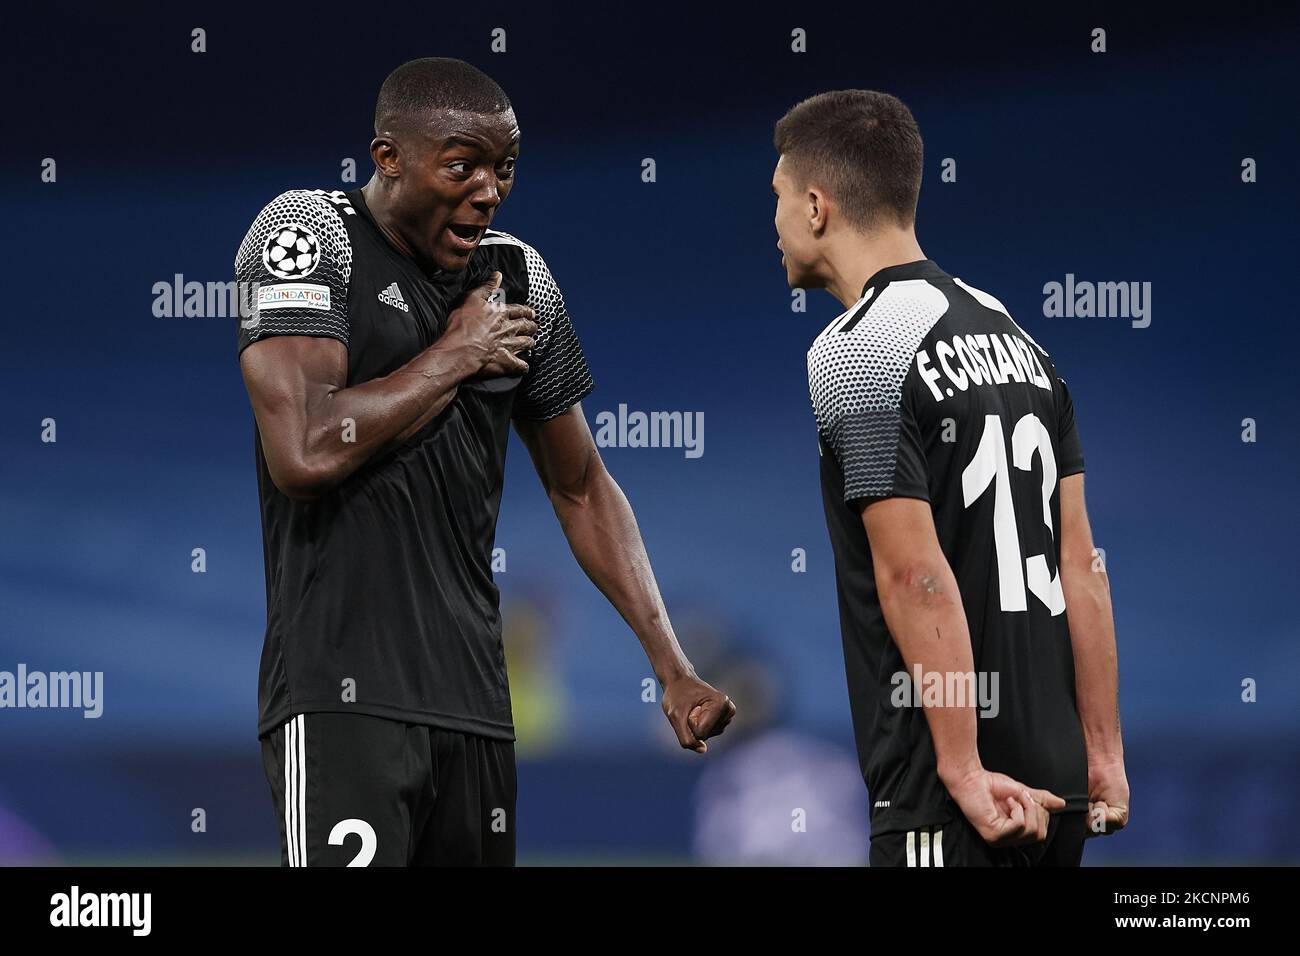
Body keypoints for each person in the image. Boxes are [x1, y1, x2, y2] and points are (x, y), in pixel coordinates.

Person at [235, 57, 734, 866]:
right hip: (344, 696)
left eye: (504, 168)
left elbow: (581, 487)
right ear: (388, 156)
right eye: (461, 164)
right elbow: (305, 449)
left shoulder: (520, 275)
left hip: (475, 705)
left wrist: (672, 668)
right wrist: (457, 353)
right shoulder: (307, 233)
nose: (489, 189)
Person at [770, 89, 1128, 866]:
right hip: (1058, 786)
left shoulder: (855, 350)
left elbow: (914, 576)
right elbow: (1083, 570)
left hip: (958, 801)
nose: (773, 224)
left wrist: (960, 767)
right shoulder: (1021, 338)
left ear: (817, 205)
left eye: (776, 199)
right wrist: (1102, 756)